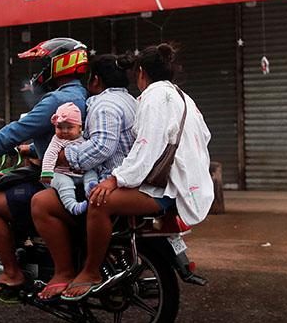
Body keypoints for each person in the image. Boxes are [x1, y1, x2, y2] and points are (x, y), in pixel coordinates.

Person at [60, 43, 214, 302]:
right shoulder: (181, 96)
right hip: (186, 185)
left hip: (169, 188)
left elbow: (146, 148)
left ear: (141, 72)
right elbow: (205, 137)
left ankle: (90, 271)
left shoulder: (154, 97)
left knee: (98, 201)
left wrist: (115, 179)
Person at [0, 37, 88, 300]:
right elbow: (64, 138)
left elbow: (13, 132)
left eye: (44, 63)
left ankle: (12, 273)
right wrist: (31, 150)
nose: (39, 72)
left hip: (63, 180)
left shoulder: (56, 100)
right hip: (77, 174)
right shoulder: (81, 95)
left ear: (58, 65)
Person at [31, 53, 138, 301]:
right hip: (121, 176)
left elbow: (101, 147)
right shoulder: (129, 100)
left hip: (108, 178)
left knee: (40, 203)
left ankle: (64, 271)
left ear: (95, 80)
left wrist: (65, 157)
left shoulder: (104, 105)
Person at [40, 102, 98, 216]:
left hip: (80, 173)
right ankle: (73, 206)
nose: (64, 131)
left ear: (79, 127)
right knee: (64, 184)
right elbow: (50, 154)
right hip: (61, 173)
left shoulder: (85, 137)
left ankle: (90, 190)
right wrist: (47, 172)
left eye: (70, 127)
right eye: (59, 127)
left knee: (91, 173)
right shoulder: (57, 140)